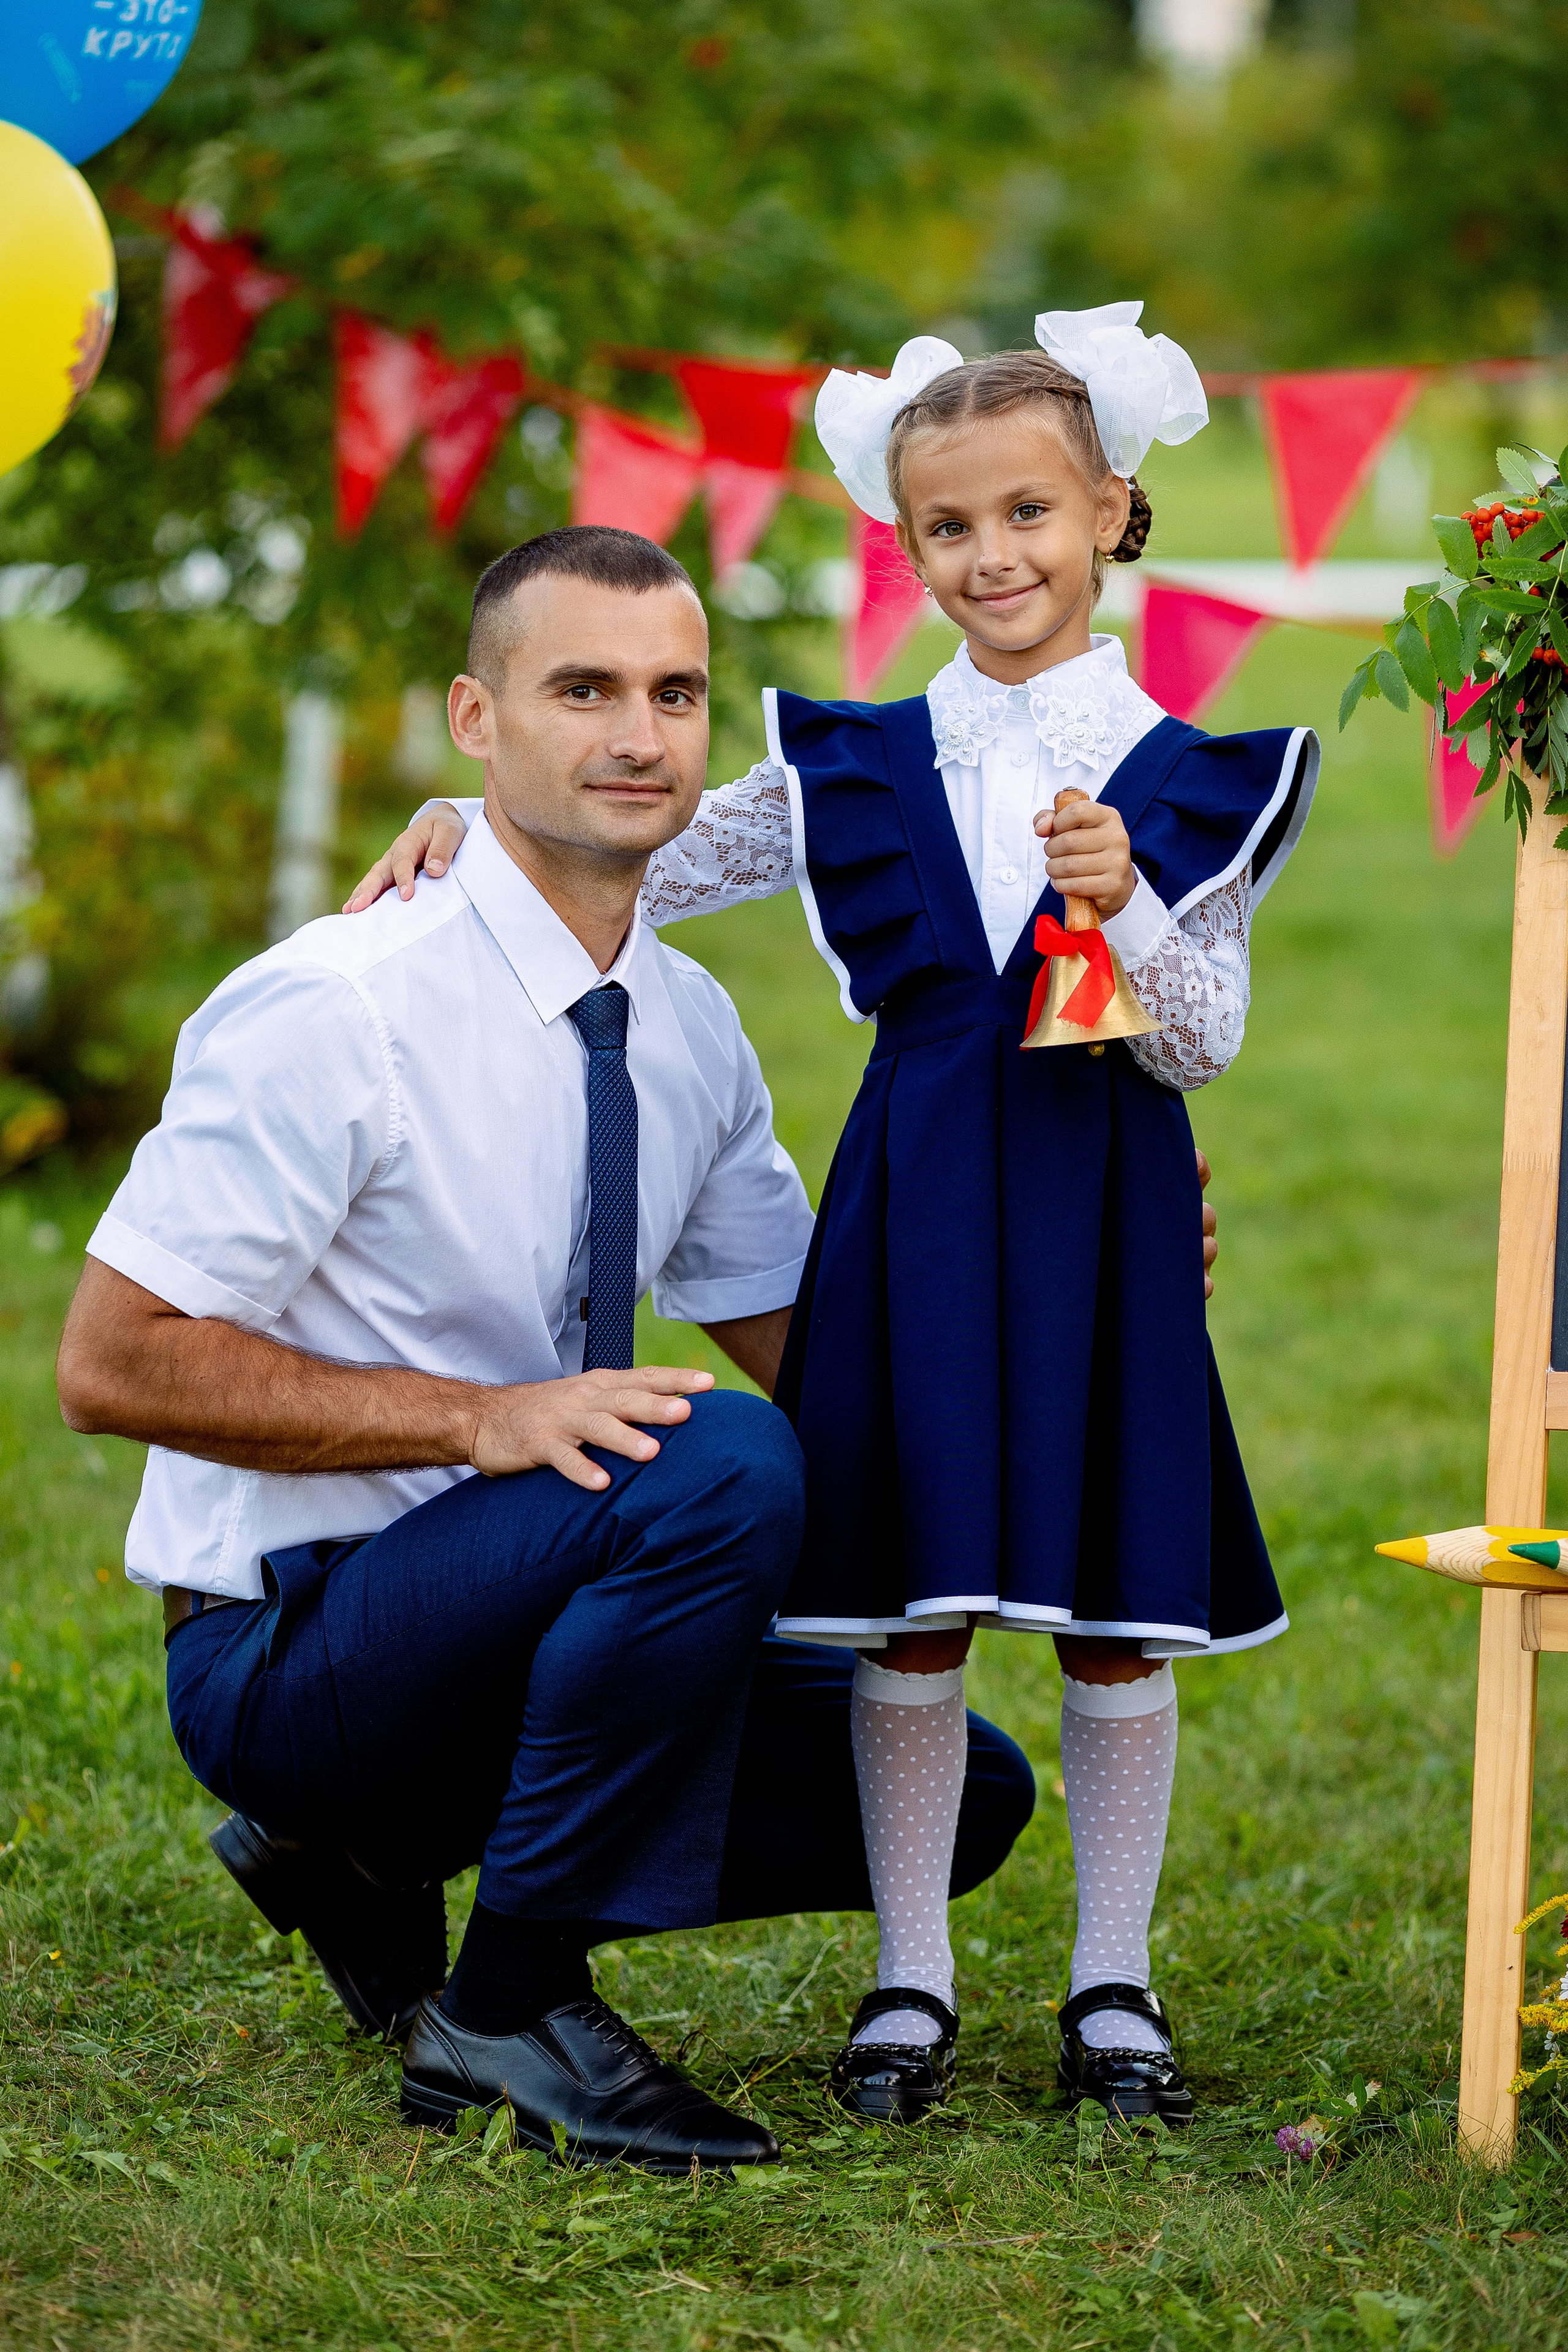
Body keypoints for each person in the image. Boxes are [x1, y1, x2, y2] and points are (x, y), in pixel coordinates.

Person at [352, 305, 1316, 2130]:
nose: (991, 556)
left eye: (1028, 513)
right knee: (907, 1611)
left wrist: (1134, 906)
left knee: (1116, 1614)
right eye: (948, 526)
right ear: (905, 539)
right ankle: (910, 1976)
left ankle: (1114, 1982)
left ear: (1114, 510)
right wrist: (471, 822)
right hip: (913, 1221)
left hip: (1102, 1220)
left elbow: (1201, 1046)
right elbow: (645, 845)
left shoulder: (1189, 773)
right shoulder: (854, 762)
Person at [53, 525, 1038, 2173]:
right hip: (293, 1647)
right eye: (583, 690)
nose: (639, 736)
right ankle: (504, 2007)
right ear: (476, 719)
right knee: (717, 1464)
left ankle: (362, 1862)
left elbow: (823, 1353)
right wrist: (480, 1419)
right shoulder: (341, 1005)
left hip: (522, 1623)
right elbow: (110, 1363)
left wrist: (1085, 1270)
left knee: (958, 1795)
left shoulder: (691, 1025)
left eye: (675, 694)